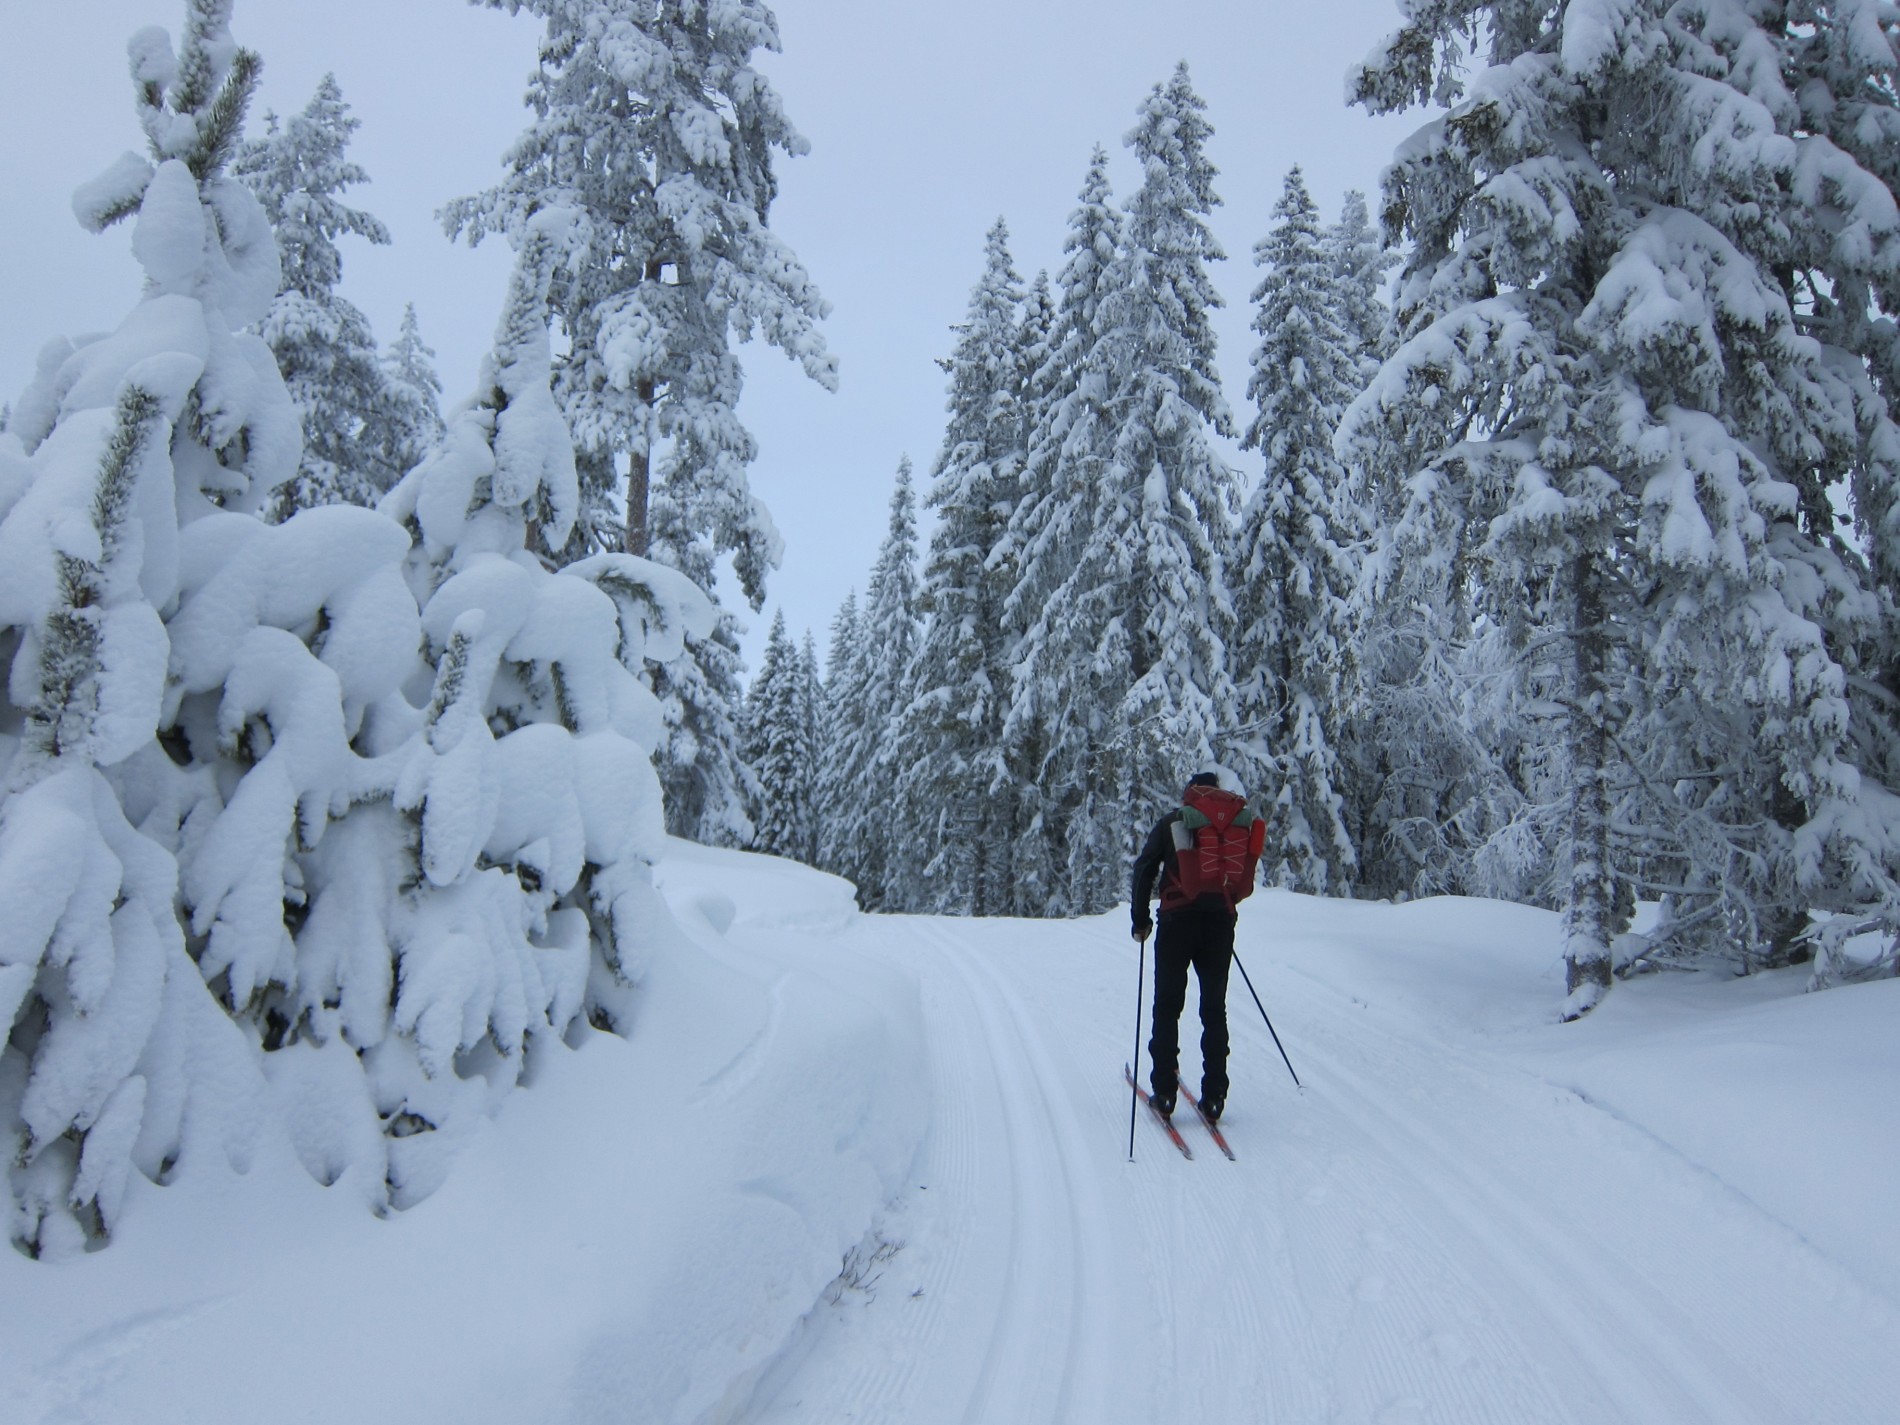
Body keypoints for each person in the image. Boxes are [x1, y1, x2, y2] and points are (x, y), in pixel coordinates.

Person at [1131, 772, 1261, 1122]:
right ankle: (1215, 1096)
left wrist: (1140, 920)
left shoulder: (1174, 821)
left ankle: (1165, 1093)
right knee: (1214, 1010)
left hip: (1177, 922)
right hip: (1219, 923)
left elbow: (1144, 869)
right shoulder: (1232, 826)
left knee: (1168, 1007)